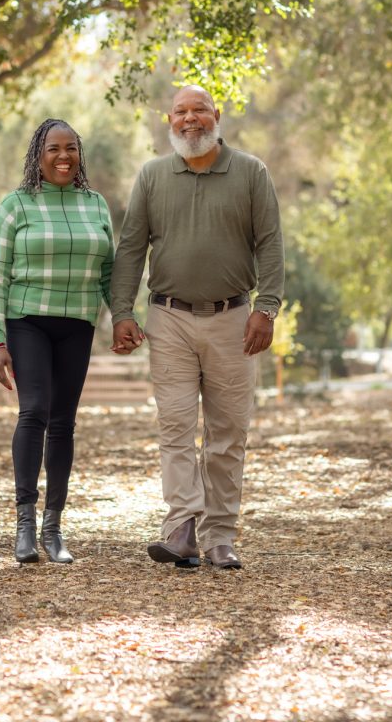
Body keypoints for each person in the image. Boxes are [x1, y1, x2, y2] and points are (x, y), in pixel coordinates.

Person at [111, 85, 283, 570]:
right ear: (169, 121)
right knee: (177, 426)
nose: (192, 120)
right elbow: (130, 249)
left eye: (200, 111)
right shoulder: (151, 176)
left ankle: (220, 536)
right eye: (182, 112)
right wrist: (122, 311)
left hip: (234, 320)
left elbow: (270, 244)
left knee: (228, 432)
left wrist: (266, 308)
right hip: (168, 320)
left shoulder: (251, 173)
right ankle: (182, 528)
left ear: (217, 115)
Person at [0, 118, 114, 564]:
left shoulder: (95, 205)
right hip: (28, 321)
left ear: (80, 154)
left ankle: (53, 529)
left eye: (71, 148)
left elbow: (108, 273)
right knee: (34, 409)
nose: (63, 156)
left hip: (77, 323)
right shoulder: (16, 205)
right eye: (54, 148)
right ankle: (24, 524)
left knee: (64, 422)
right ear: (37, 156)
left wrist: (125, 316)